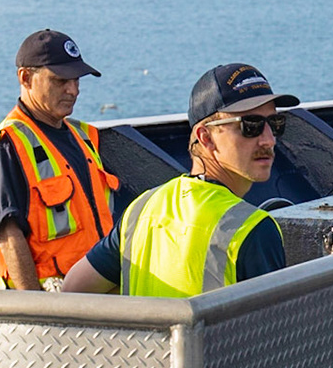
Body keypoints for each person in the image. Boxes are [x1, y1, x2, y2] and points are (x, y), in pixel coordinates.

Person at [62, 63, 294, 297]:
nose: (269, 140)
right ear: (206, 137)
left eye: (275, 124)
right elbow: (275, 320)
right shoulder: (252, 230)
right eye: (251, 126)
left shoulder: (141, 209)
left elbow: (73, 288)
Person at [0, 29, 121, 290]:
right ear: (25, 78)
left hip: (93, 297)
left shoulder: (84, 137)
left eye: (76, 80)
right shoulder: (7, 147)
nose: (73, 90)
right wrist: (37, 308)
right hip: (50, 303)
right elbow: (9, 238)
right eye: (60, 80)